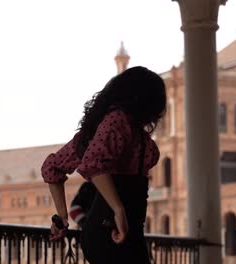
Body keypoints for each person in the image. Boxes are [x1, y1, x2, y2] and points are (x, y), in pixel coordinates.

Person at [41, 66, 166, 263]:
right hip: (109, 229)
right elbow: (93, 164)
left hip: (126, 228)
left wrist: (62, 217)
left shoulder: (108, 129)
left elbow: (53, 167)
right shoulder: (118, 120)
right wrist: (118, 209)